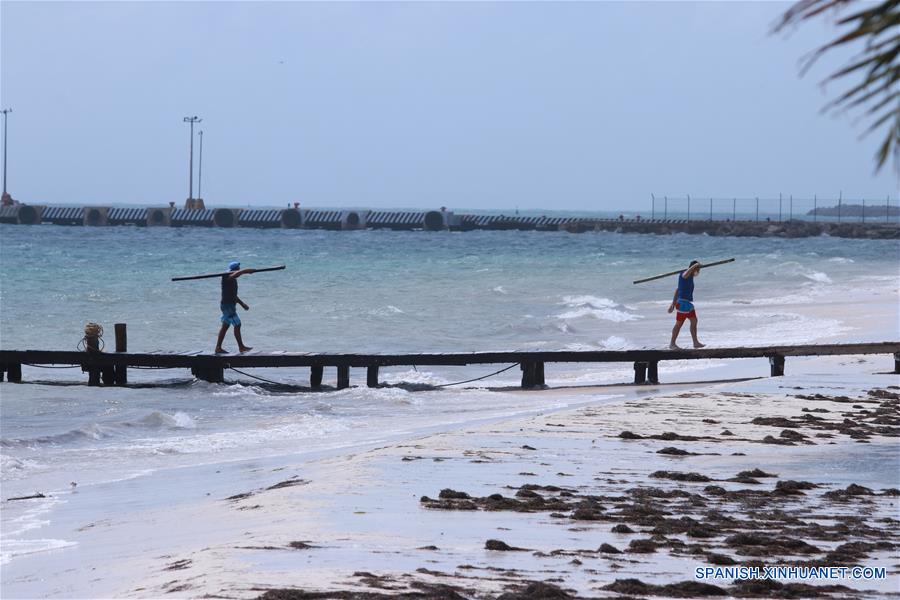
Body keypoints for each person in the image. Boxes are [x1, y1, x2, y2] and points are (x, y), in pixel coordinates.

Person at [215, 261, 256, 354]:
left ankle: (218, 347)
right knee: (237, 324)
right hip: (227, 306)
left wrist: (242, 304)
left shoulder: (233, 280)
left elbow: (234, 295)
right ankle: (241, 347)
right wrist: (246, 271)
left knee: (225, 326)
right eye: (238, 270)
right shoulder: (227, 277)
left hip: (229, 305)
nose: (238, 274)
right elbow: (236, 274)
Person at [667, 260, 705, 349]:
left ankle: (695, 343)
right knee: (679, 324)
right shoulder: (684, 274)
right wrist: (695, 265)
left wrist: (673, 304)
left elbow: (677, 290)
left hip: (687, 304)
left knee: (694, 321)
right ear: (694, 268)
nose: (698, 271)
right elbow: (685, 274)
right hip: (682, 304)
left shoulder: (690, 277)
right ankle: (672, 344)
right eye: (698, 269)